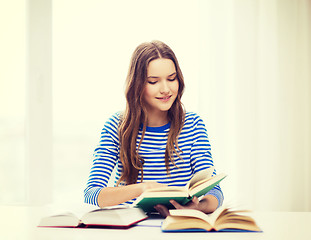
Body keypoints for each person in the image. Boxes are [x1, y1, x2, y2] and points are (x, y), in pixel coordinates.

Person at [84, 40, 223, 216]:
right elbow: (92, 194)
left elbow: (214, 191)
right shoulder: (116, 126)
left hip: (180, 225)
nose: (166, 89)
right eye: (153, 81)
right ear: (137, 85)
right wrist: (144, 188)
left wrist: (199, 207)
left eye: (172, 79)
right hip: (133, 227)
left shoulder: (193, 125)